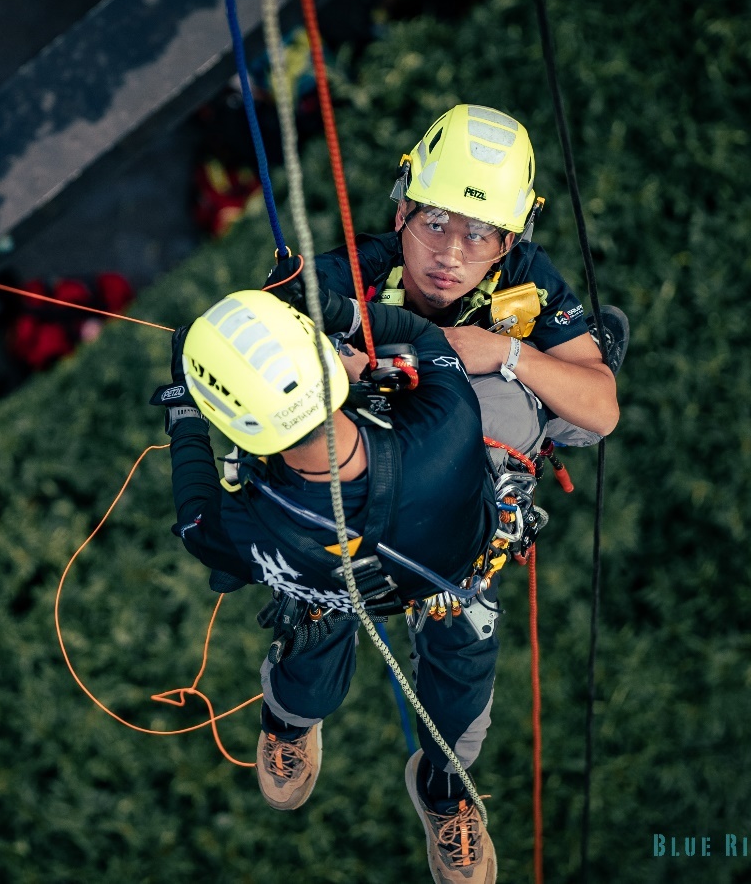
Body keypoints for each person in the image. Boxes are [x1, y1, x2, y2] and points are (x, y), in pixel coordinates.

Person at [155, 288, 511, 883]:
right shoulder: (449, 421)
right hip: (453, 574)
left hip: (327, 582)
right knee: (460, 694)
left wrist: (185, 417)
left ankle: (425, 780)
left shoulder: (253, 527)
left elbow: (196, 523)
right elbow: (427, 341)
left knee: (310, 647)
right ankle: (436, 782)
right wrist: (343, 313)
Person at [291, 103, 624, 464]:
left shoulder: (525, 278)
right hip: (387, 438)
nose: (450, 256)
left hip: (476, 419)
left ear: (507, 244)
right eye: (435, 223)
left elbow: (602, 412)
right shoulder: (357, 270)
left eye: (477, 235)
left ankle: (546, 389)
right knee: (519, 402)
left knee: (578, 421)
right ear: (403, 214)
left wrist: (507, 353)